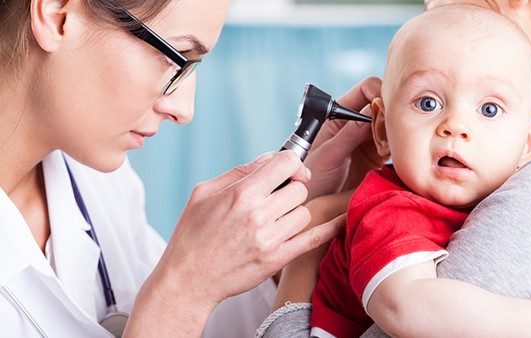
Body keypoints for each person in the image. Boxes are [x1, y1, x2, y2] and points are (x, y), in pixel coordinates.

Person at [0, 0, 383, 336]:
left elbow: (192, 325)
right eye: (176, 60)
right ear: (57, 14)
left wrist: (291, 225)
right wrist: (183, 290)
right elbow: (170, 309)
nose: (184, 110)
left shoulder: (101, 185)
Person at [256, 0, 531, 335]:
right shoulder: (392, 210)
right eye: (428, 103)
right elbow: (406, 308)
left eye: (490, 109)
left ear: (529, 141)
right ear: (382, 130)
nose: (455, 125)